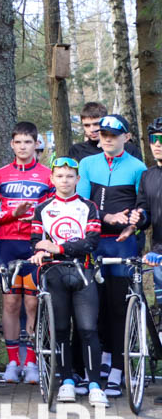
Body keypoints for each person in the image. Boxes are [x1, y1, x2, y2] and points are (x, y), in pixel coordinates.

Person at [77, 114, 147, 397]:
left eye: (113, 135)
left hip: (121, 244)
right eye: (103, 134)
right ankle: (94, 369)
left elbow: (143, 207)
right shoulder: (87, 163)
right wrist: (107, 216)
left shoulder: (138, 167)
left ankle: (118, 370)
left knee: (119, 308)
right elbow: (82, 203)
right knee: (92, 308)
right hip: (94, 242)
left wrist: (133, 224)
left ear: (126, 138)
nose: (107, 139)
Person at [30, 157, 108, 407]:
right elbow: (36, 241)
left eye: (69, 176)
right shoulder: (42, 208)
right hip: (54, 273)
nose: (64, 181)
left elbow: (91, 242)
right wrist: (41, 250)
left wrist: (58, 247)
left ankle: (94, 384)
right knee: (61, 329)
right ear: (52, 179)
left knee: (88, 329)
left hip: (83, 271)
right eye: (60, 176)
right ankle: (67, 381)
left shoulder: (88, 206)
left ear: (77, 179)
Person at [0, 121, 54, 385]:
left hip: (34, 244)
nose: (23, 147)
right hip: (7, 243)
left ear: (36, 144)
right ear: (11, 144)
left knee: (32, 303)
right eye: (18, 142)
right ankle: (12, 362)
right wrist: (11, 214)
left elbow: (55, 212)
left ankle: (31, 362)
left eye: (28, 142)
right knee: (10, 302)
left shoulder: (48, 175)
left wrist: (37, 220)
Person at [136, 117, 162, 311]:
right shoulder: (148, 175)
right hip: (158, 253)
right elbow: (144, 212)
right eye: (154, 139)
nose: (157, 145)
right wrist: (139, 217)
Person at [70, 101, 143, 162]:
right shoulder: (77, 150)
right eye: (87, 125)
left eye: (96, 124)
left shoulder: (129, 149)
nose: (92, 129)